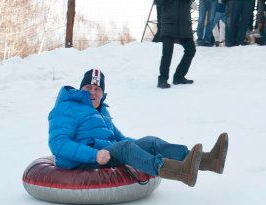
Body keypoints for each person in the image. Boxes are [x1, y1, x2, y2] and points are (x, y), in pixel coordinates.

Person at [49, 68, 229, 187]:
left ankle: (208, 161)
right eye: (88, 87)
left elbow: (119, 138)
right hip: (82, 161)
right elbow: (58, 143)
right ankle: (181, 171)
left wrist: (144, 147)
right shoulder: (67, 107)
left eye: (97, 89)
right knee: (125, 148)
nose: (92, 92)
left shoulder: (101, 110)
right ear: (81, 89)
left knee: (150, 141)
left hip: (106, 153)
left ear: (103, 93)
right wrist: (94, 155)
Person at [155, 0, 199, 88]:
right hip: (169, 24)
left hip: (184, 25)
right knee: (167, 53)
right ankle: (162, 80)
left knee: (191, 50)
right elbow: (158, 1)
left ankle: (179, 77)